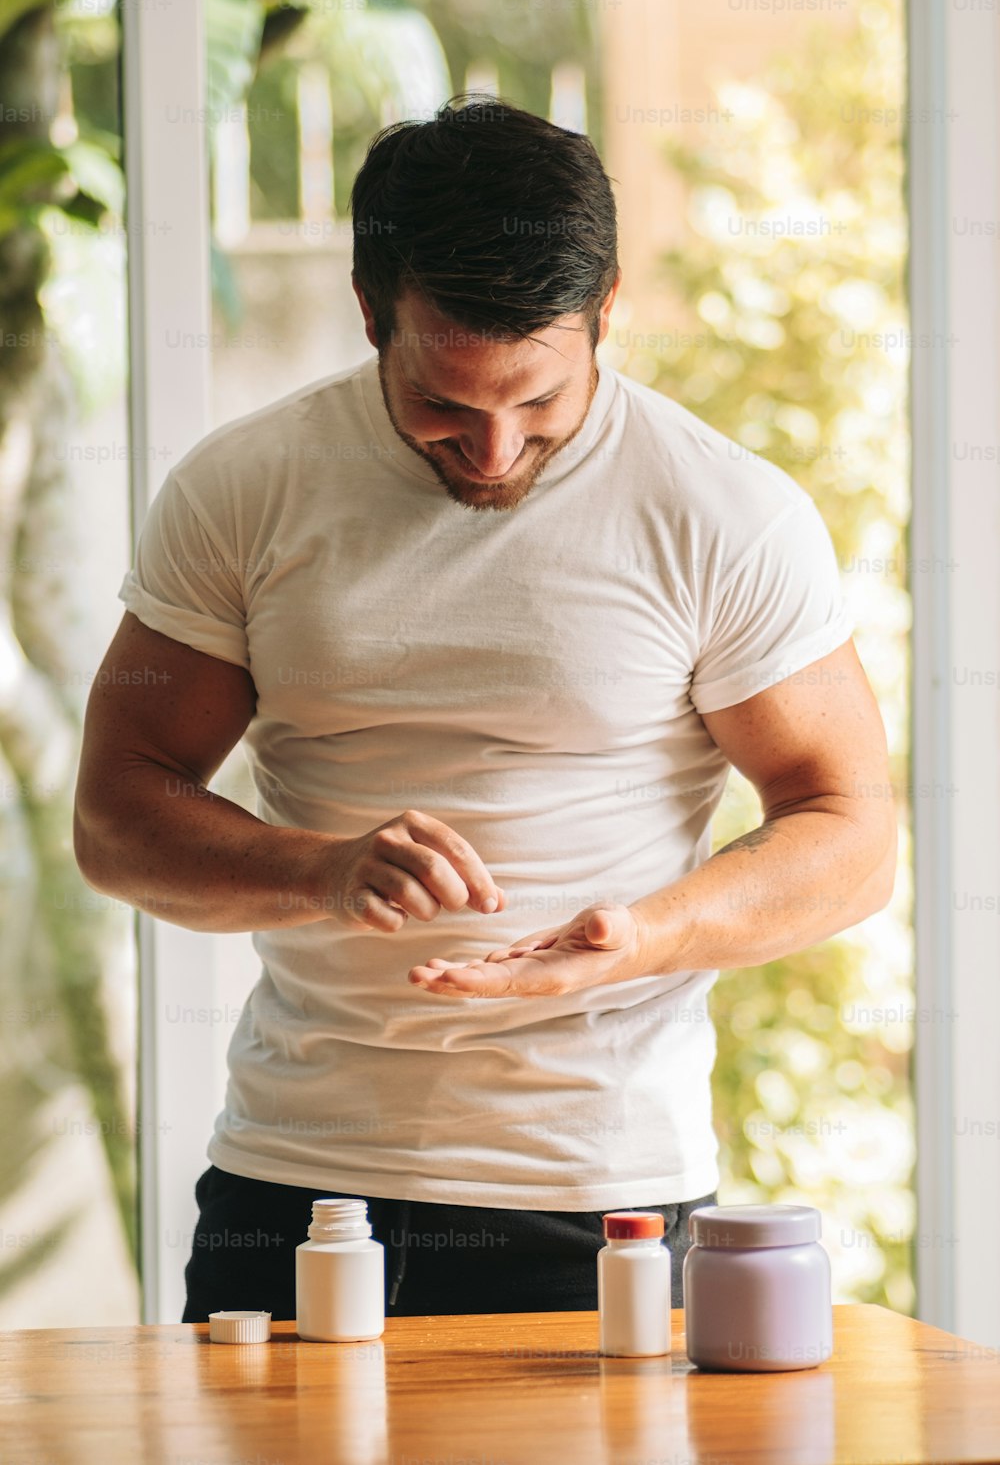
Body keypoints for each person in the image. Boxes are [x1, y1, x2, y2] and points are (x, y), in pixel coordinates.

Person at [73, 94, 896, 1322]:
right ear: (370, 310)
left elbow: (849, 831)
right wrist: (322, 870)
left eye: (541, 404)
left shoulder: (724, 513)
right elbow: (117, 814)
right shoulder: (242, 490)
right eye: (446, 407)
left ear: (606, 310)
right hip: (290, 1184)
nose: (496, 450)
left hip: (598, 1192)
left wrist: (648, 936)